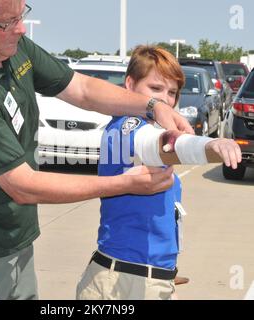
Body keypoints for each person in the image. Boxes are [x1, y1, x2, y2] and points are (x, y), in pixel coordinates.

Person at [0, 1, 194, 300]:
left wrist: (152, 106)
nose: (21, 28)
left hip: (14, 244)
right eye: (8, 21)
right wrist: (125, 183)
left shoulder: (13, 48)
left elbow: (81, 89)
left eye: (21, 14)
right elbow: (23, 185)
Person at [76, 45, 242, 300]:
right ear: (129, 85)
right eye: (155, 89)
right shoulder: (127, 127)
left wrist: (166, 273)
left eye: (172, 92)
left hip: (150, 279)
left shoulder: (142, 125)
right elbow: (161, 145)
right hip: (125, 283)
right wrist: (209, 146)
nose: (165, 99)